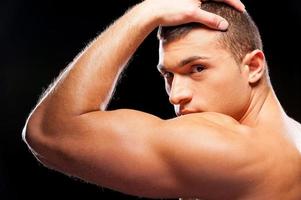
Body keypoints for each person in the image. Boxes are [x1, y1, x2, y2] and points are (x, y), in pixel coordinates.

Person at [22, 0, 301, 199]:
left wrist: (146, 11)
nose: (177, 94)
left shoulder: (229, 148)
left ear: (253, 67)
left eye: (197, 69)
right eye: (168, 75)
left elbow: (49, 132)